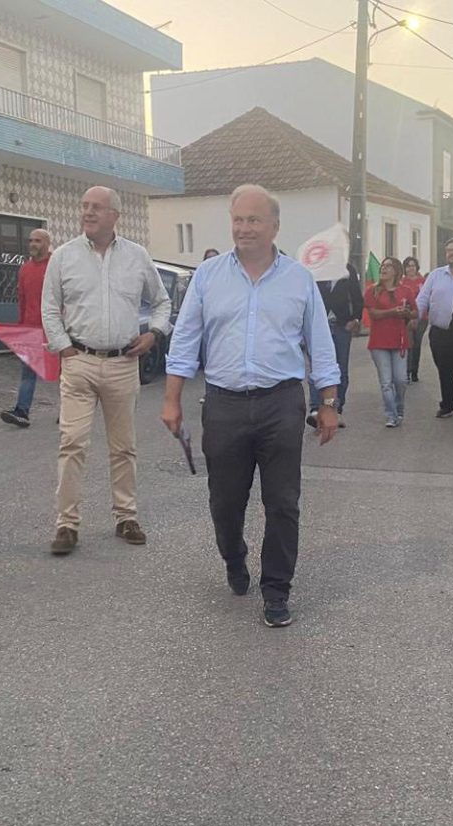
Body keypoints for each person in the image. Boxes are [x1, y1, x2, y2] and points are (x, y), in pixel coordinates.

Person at [161, 184, 340, 629]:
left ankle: (277, 590)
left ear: (274, 226)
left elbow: (320, 344)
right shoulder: (208, 276)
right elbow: (185, 339)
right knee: (225, 501)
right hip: (224, 405)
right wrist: (171, 399)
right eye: (238, 220)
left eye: (254, 220)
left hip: (281, 403)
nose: (244, 228)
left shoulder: (299, 279)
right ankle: (233, 555)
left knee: (282, 502)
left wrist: (328, 401)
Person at [41, 186, 171, 556]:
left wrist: (154, 334)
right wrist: (63, 347)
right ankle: (67, 524)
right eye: (84, 206)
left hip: (123, 364)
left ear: (115, 214)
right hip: (79, 361)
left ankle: (126, 517)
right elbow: (49, 307)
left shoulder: (136, 256)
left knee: (123, 446)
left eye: (96, 207)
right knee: (72, 443)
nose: (88, 212)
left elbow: (161, 302)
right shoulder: (63, 257)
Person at [0, 228, 52, 428]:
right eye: (30, 240)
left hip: (54, 329)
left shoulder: (56, 266)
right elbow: (21, 299)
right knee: (28, 372)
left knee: (64, 373)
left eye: (37, 241)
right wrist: (21, 327)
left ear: (47, 243)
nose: (32, 244)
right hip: (30, 330)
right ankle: (22, 411)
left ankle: (69, 411)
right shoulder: (25, 269)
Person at [416, 239, 453, 424]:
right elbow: (422, 299)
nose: (451, 253)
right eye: (448, 250)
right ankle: (448, 404)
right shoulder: (436, 275)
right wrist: (414, 319)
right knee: (444, 370)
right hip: (440, 332)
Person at [307, 261, 362, 429]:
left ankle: (337, 409)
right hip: (319, 325)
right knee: (317, 366)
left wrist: (355, 319)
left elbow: (357, 296)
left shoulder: (348, 269)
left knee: (340, 369)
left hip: (341, 325)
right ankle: (316, 409)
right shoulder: (317, 269)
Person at [364, 256, 413, 427]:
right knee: (386, 382)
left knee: (401, 380)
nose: (383, 269)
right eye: (382, 266)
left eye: (388, 266)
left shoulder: (405, 291)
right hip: (379, 342)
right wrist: (393, 312)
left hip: (399, 341)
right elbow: (373, 314)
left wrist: (407, 313)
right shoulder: (372, 291)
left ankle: (399, 409)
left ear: (396, 271)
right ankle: (391, 415)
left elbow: (415, 312)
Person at [400, 255, 426, 381]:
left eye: (413, 266)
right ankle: (407, 371)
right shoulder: (401, 282)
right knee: (408, 344)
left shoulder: (423, 281)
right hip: (407, 317)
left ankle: (415, 371)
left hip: (422, 317)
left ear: (417, 267)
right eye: (408, 266)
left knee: (417, 344)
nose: (411, 268)